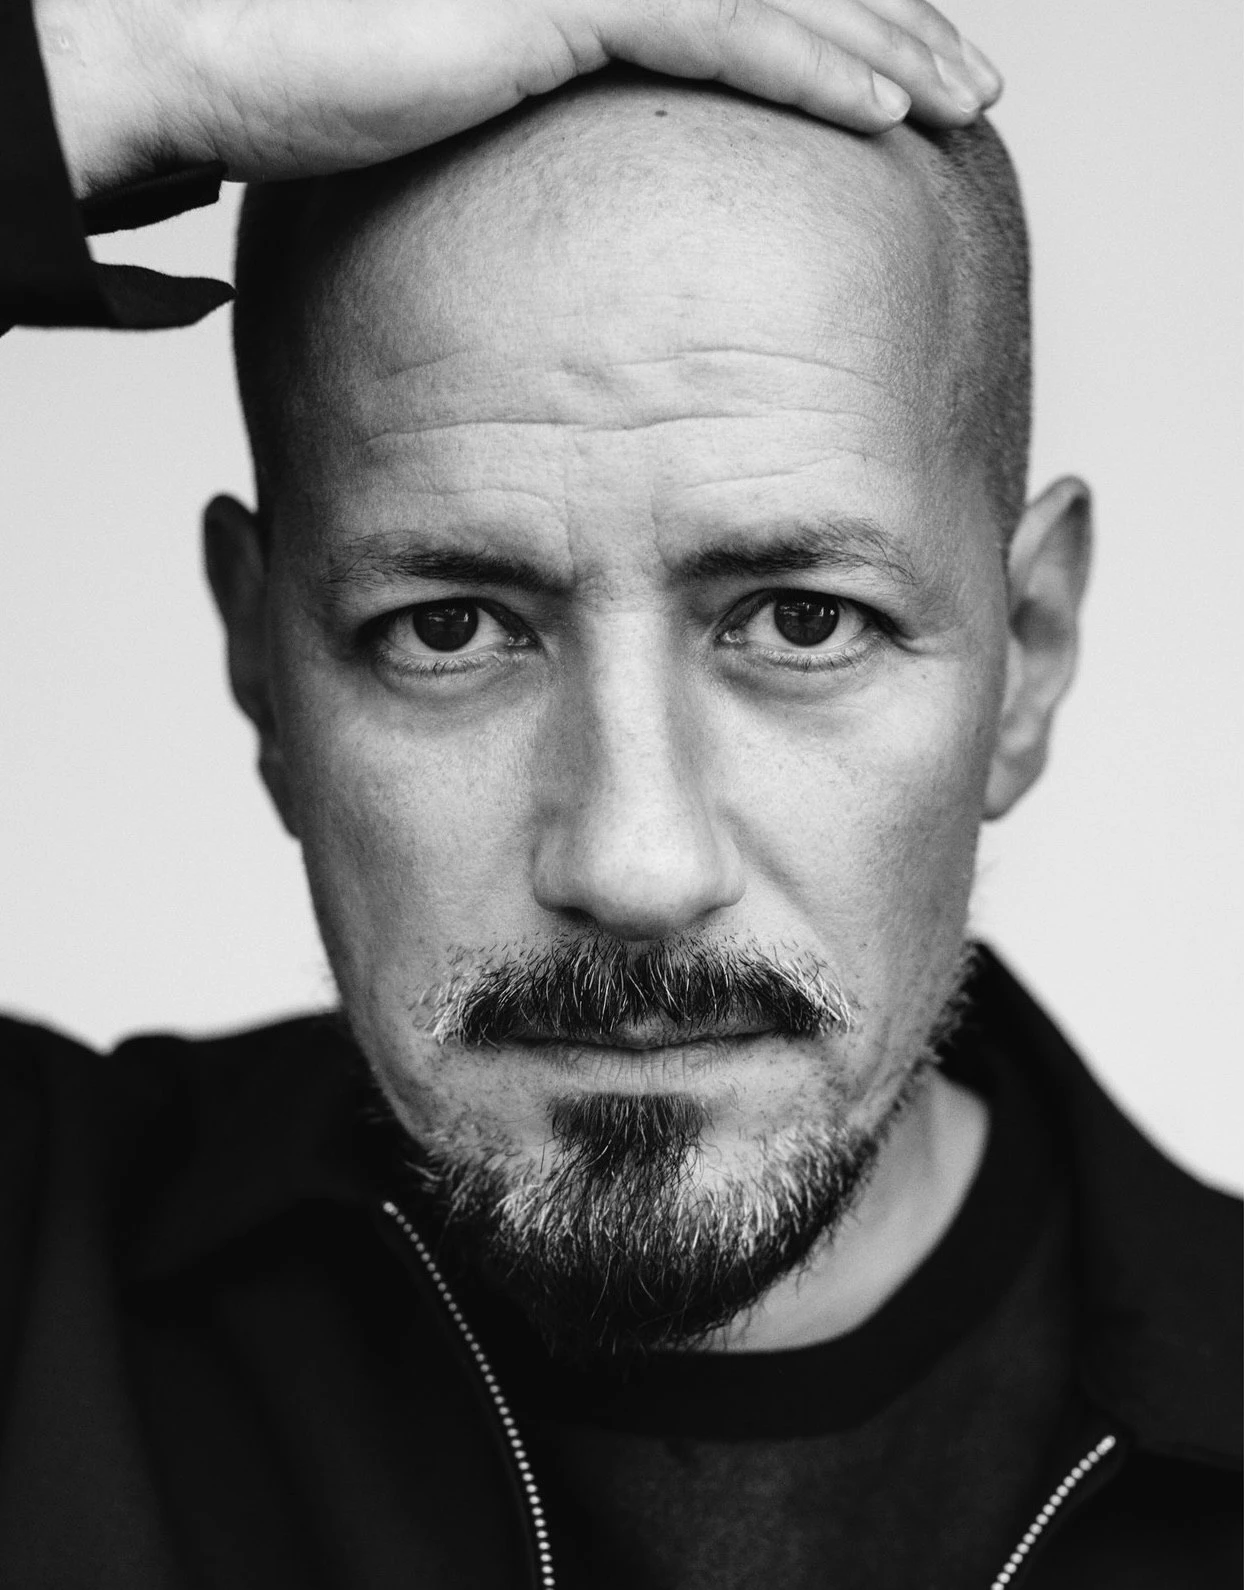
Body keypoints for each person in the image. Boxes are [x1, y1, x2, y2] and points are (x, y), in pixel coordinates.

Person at [1, 2, 1238, 1587]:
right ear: (262, 666)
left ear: (1031, 651)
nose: (636, 860)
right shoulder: (38, 1286)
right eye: (450, 628)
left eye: (804, 619)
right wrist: (111, 71)